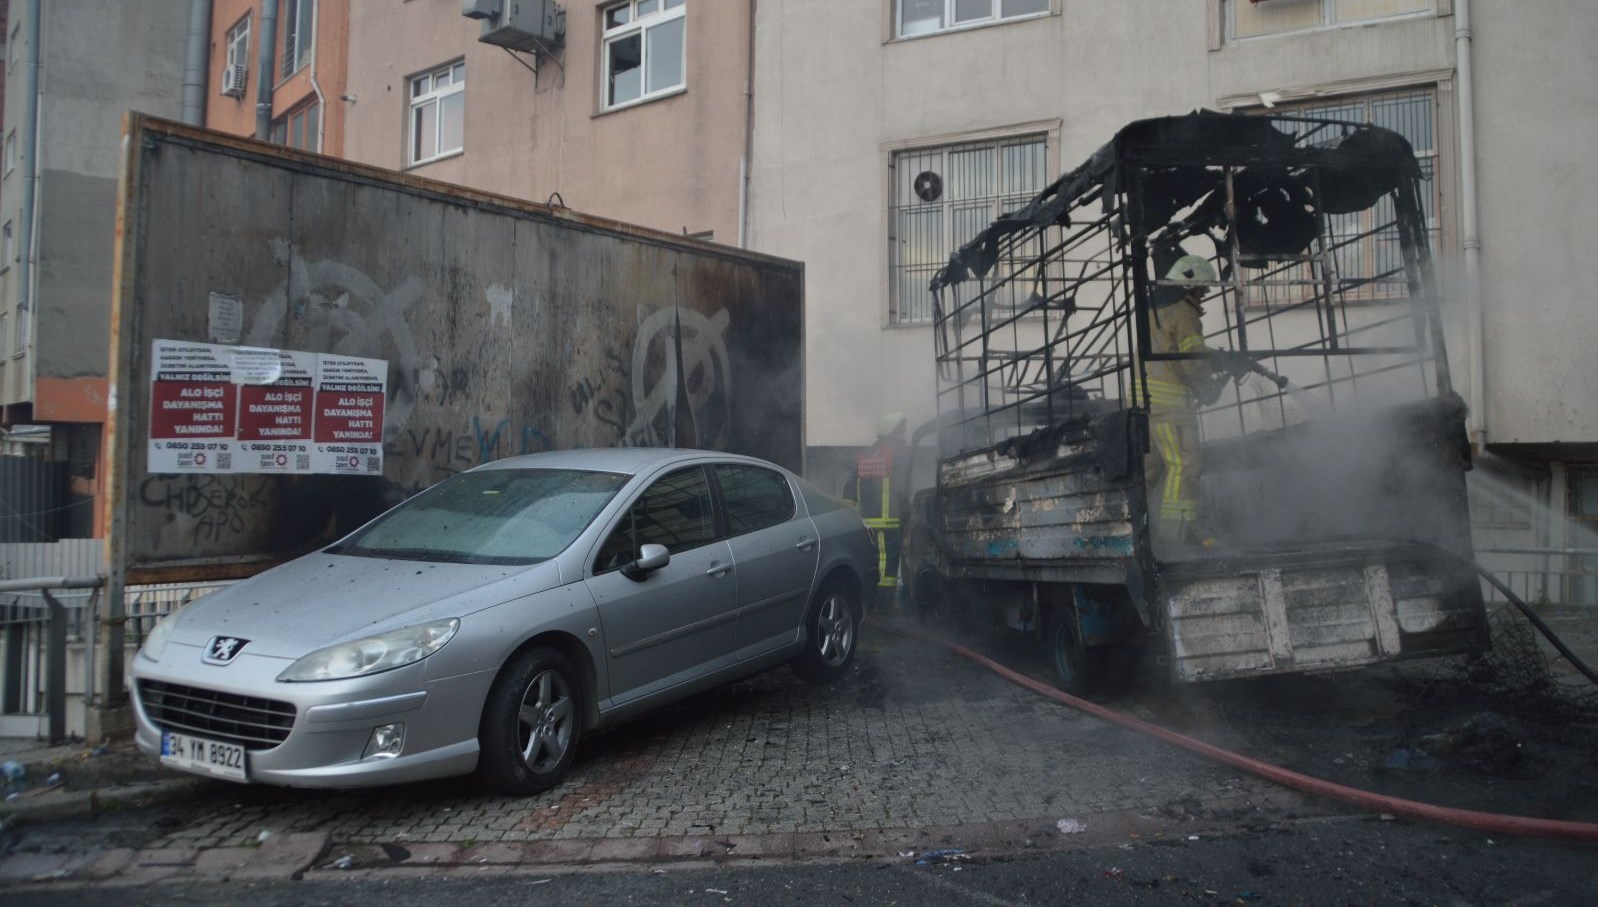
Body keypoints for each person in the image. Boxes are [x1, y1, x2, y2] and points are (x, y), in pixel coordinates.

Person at [1143, 255, 1232, 552]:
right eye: (1202, 289)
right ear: (1190, 287)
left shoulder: (1153, 312)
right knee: (1184, 467)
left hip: (1146, 407)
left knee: (1148, 474)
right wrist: (1208, 389)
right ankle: (1174, 540)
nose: (1204, 295)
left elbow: (1172, 351)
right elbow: (1191, 360)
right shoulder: (1184, 313)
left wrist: (1211, 359)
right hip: (1173, 409)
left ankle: (1138, 536)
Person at [844, 412, 911, 610]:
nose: (902, 436)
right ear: (891, 431)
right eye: (899, 431)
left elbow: (849, 488)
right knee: (889, 565)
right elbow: (901, 487)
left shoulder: (865, 456)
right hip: (889, 520)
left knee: (873, 560)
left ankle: (870, 600)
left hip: (866, 521)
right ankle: (885, 604)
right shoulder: (894, 454)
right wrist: (906, 509)